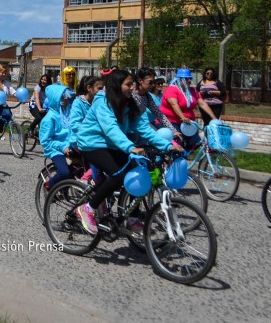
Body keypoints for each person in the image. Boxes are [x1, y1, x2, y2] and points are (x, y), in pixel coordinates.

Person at [74, 69, 181, 235]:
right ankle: (88, 208)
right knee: (118, 175)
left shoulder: (128, 102)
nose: (132, 87)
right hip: (91, 143)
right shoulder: (103, 101)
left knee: (140, 173)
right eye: (128, 84)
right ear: (117, 85)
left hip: (112, 145)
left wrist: (167, 146)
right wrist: (131, 147)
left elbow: (142, 127)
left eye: (132, 84)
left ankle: (131, 218)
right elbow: (111, 129)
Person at [160, 68, 216, 150]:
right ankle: (172, 159)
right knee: (179, 141)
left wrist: (214, 118)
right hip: (171, 121)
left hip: (187, 123)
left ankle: (186, 156)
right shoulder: (172, 89)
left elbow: (203, 104)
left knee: (195, 142)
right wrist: (182, 117)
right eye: (186, 79)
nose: (189, 81)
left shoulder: (193, 91)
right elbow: (174, 104)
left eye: (190, 79)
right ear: (179, 79)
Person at [39, 83, 77, 189]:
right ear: (56, 99)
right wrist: (63, 147)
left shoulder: (66, 112)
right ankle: (49, 185)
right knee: (65, 172)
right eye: (64, 98)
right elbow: (46, 141)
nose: (67, 99)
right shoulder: (49, 119)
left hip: (69, 147)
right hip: (55, 150)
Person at [133, 67, 177, 134]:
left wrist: (173, 131)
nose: (153, 85)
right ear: (140, 80)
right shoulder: (130, 95)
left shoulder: (147, 96)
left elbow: (159, 114)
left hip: (139, 129)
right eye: (150, 82)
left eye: (153, 82)